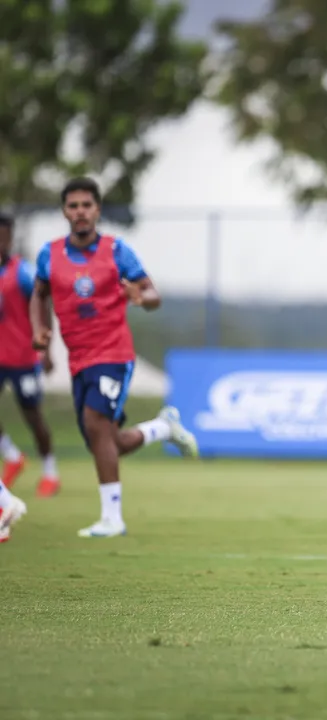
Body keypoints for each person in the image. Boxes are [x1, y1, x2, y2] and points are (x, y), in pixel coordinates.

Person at [29, 177, 199, 538]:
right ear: (64, 211)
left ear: (97, 210)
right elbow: (39, 294)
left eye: (86, 205)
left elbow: (153, 294)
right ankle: (162, 428)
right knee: (104, 442)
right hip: (78, 358)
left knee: (95, 425)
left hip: (113, 353)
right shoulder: (50, 253)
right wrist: (40, 330)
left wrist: (139, 297)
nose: (80, 212)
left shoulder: (117, 251)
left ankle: (112, 519)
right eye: (73, 206)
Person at [1, 212, 60, 497]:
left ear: (10, 237)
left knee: (33, 416)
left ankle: (50, 472)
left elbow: (43, 304)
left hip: (23, 358)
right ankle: (12, 456)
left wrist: (46, 348)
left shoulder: (22, 272)